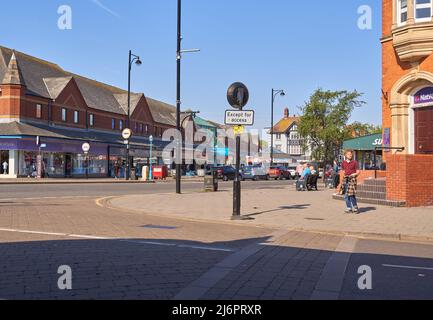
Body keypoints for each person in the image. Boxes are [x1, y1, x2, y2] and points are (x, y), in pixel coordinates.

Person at [341, 150, 360, 214]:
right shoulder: (343, 163)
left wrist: (354, 174)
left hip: (352, 179)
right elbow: (343, 171)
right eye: (349, 154)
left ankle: (355, 207)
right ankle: (349, 208)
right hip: (346, 179)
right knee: (346, 195)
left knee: (351, 195)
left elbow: (358, 172)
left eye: (351, 154)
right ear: (345, 155)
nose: (350, 155)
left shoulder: (354, 162)